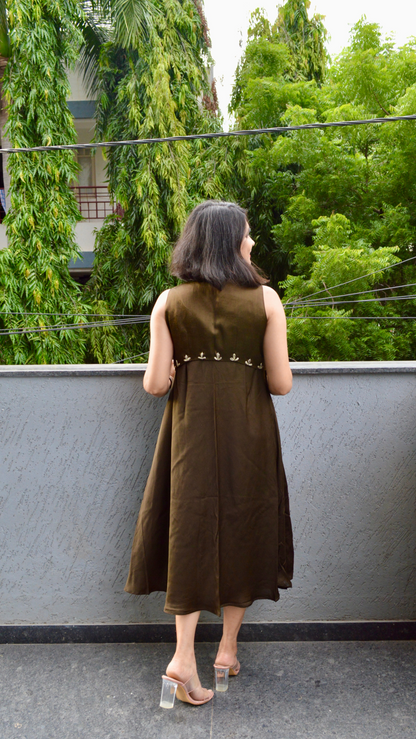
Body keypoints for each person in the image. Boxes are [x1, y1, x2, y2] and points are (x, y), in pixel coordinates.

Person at [125, 200, 294, 708]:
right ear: (229, 242)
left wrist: (181, 369)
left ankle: (182, 656)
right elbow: (281, 383)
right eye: (247, 234)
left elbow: (155, 385)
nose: (252, 242)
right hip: (251, 437)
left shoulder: (168, 302)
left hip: (189, 438)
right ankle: (224, 651)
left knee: (190, 530)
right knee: (245, 526)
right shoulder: (266, 300)